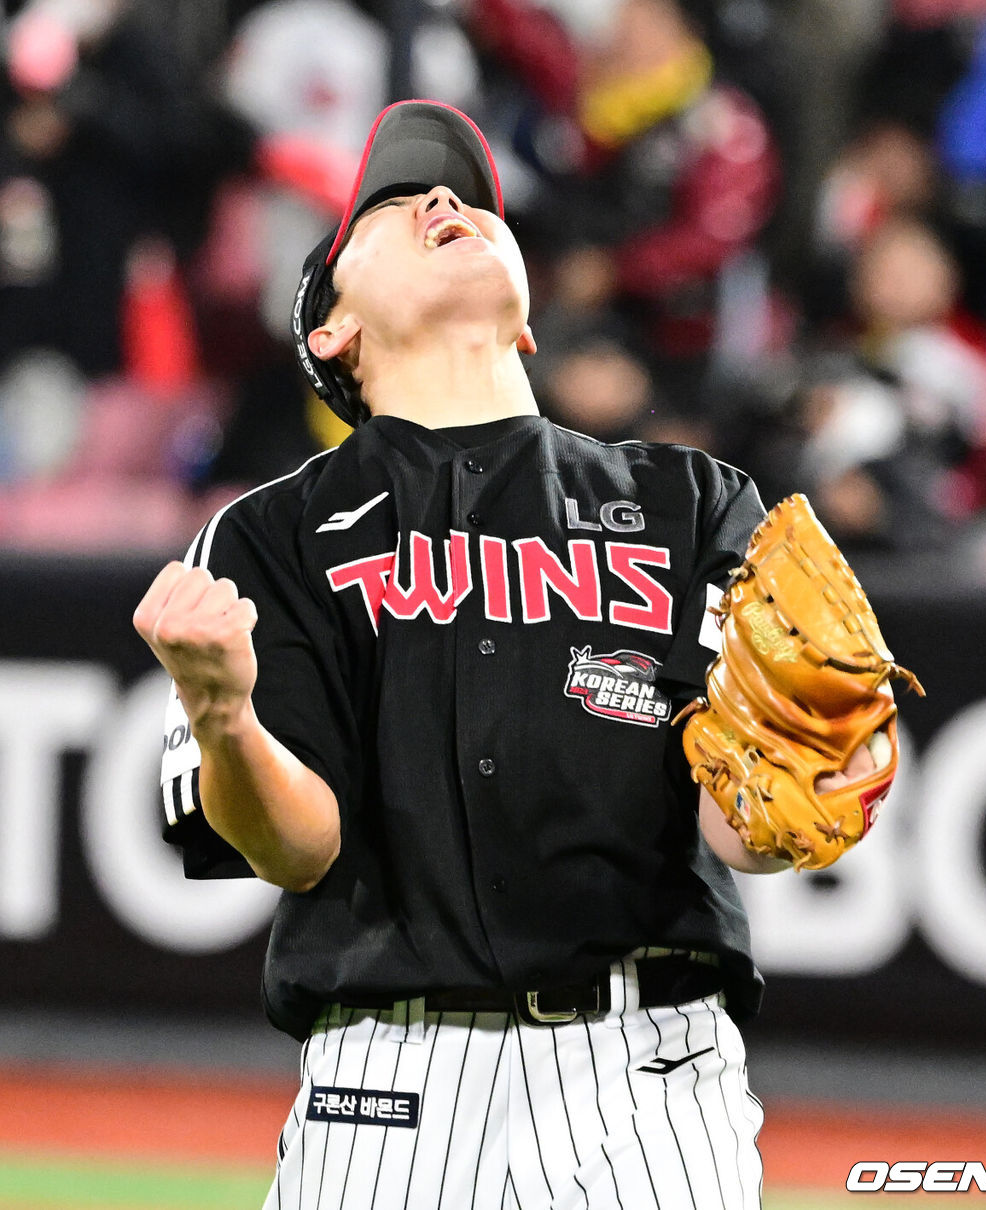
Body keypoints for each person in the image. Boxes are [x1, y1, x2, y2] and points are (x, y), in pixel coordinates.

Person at [133, 100, 874, 1210]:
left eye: (473, 200)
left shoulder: (691, 503)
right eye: (394, 204)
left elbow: (743, 827)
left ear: (528, 321)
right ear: (330, 328)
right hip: (387, 1087)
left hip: (647, 1080)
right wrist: (224, 713)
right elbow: (294, 848)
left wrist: (809, 773)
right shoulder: (271, 535)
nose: (445, 201)